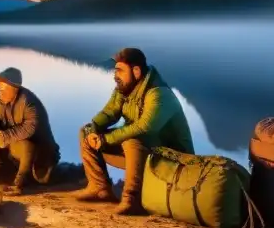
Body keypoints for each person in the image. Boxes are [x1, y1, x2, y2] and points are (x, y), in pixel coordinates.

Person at [75, 47, 195, 215]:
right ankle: (99, 188)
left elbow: (144, 127)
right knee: (85, 131)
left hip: (170, 158)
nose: (115, 75)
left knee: (132, 139)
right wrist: (94, 129)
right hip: (142, 152)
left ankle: (132, 199)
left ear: (136, 71)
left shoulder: (159, 94)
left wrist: (105, 140)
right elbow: (109, 113)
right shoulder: (124, 89)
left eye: (119, 70)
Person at [0, 67, 60, 195]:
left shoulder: (29, 102)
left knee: (27, 145)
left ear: (14, 87)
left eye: (2, 84)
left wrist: (5, 136)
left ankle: (19, 183)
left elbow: (30, 127)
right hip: (13, 153)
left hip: (39, 156)